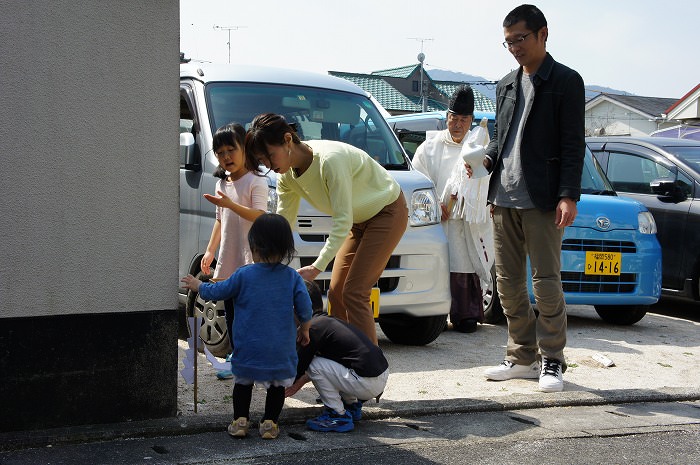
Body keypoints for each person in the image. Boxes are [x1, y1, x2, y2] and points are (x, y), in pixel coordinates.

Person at [478, 4, 585, 392]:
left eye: (520, 39)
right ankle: (521, 356)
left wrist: (568, 195)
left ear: (543, 34)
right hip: (503, 195)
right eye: (507, 43)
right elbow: (500, 135)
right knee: (507, 281)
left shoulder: (566, 81)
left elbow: (574, 145)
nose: (514, 49)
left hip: (542, 199)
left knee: (546, 281)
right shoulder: (505, 83)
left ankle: (552, 360)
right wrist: (489, 157)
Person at [245, 113, 408, 345]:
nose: (270, 166)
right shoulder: (287, 177)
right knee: (337, 292)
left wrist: (317, 267)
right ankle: (343, 356)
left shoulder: (329, 161)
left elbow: (342, 220)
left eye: (271, 155)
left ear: (288, 140)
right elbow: (283, 223)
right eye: (264, 160)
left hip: (387, 212)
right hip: (358, 221)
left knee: (354, 292)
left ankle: (370, 369)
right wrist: (264, 263)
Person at [181, 213, 313, 439]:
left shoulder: (244, 274)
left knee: (243, 383)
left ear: (254, 247)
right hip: (280, 349)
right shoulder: (292, 278)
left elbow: (218, 291)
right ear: (285, 249)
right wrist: (305, 329)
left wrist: (197, 285)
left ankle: (241, 421)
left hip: (248, 346)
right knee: (276, 386)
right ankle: (270, 424)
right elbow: (305, 308)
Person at [412, 86, 494, 334]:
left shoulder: (479, 145)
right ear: (446, 117)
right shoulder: (430, 146)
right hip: (436, 220)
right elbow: (417, 179)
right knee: (435, 264)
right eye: (454, 118)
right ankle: (432, 316)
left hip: (466, 221)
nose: (457, 125)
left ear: (470, 121)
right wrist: (434, 204)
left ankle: (465, 314)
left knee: (464, 264)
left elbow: (489, 179)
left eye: (463, 120)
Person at [200, 123, 267, 380]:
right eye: (220, 152)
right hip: (229, 256)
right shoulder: (222, 183)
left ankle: (248, 357)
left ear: (245, 148)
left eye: (231, 149)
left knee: (250, 310)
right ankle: (236, 356)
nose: (226, 156)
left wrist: (230, 204)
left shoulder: (257, 180)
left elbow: (260, 216)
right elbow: (220, 219)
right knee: (230, 308)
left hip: (252, 257)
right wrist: (209, 251)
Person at [285, 280, 389, 433]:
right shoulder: (327, 322)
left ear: (297, 308)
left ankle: (337, 415)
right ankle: (351, 406)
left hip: (365, 381)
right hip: (378, 376)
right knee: (328, 364)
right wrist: (300, 381)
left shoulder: (312, 328)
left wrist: (281, 386)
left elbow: (300, 365)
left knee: (314, 365)